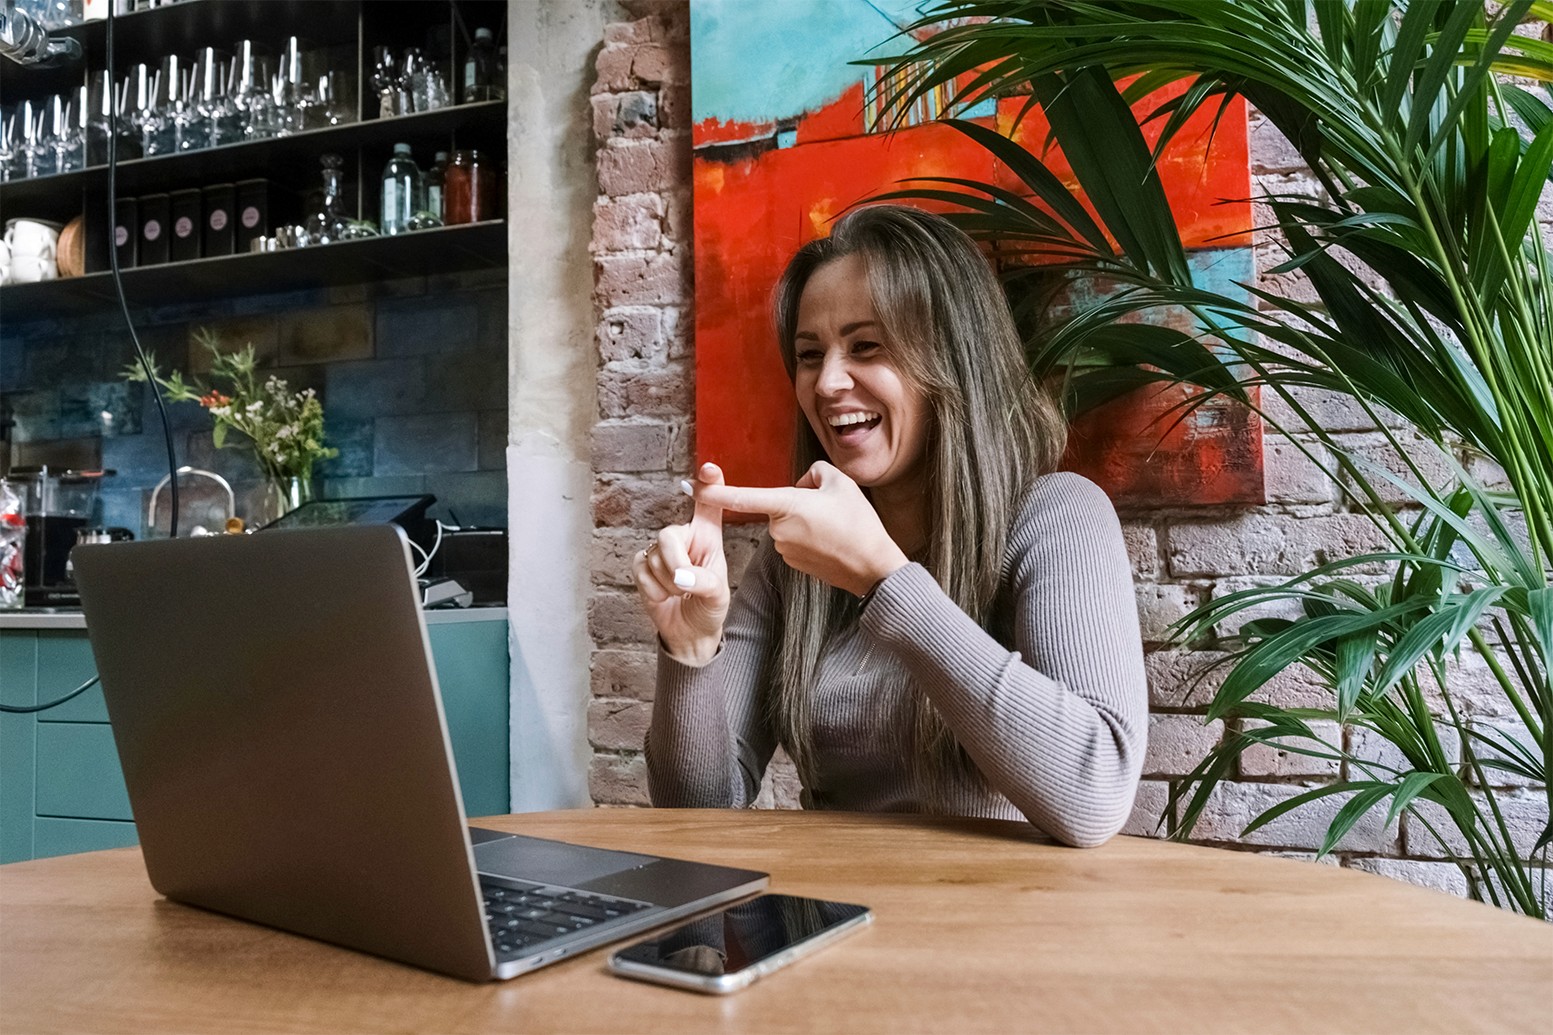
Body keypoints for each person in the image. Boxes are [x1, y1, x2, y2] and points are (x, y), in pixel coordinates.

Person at [632, 205, 1147, 848]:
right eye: (809, 355)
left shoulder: (1057, 517)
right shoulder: (792, 557)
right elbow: (698, 814)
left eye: (865, 346)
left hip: (1012, 928)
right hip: (837, 923)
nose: (828, 382)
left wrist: (884, 581)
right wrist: (690, 649)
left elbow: (1095, 798)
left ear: (953, 359)